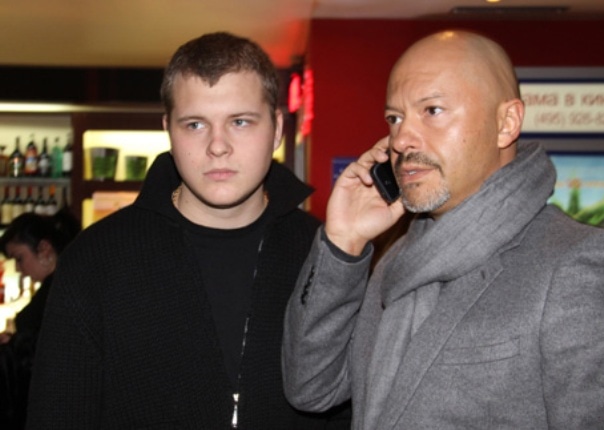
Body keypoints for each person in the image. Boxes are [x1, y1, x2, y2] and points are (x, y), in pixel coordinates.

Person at [282, 30, 604, 429]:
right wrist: (344, 242)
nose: (402, 139)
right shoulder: (395, 262)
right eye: (394, 118)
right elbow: (311, 389)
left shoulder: (580, 264)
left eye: (432, 110)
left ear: (506, 123)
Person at [26, 32, 349, 429]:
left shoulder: (324, 255)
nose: (218, 146)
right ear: (169, 130)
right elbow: (57, 414)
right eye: (195, 124)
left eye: (240, 122)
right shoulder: (96, 259)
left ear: (277, 128)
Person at [0, 211, 81, 430]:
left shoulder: (56, 294)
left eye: (19, 258)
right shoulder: (69, 284)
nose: (18, 269)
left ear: (44, 249)